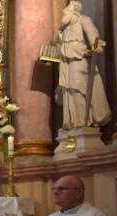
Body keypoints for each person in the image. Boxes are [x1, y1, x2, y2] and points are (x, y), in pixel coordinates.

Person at [56, 1, 111, 130]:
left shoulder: (83, 20)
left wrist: (95, 46)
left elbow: (94, 37)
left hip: (79, 61)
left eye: (67, 10)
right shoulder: (64, 29)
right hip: (66, 64)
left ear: (74, 11)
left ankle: (82, 122)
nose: (64, 12)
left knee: (77, 88)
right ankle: (73, 123)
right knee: (68, 91)